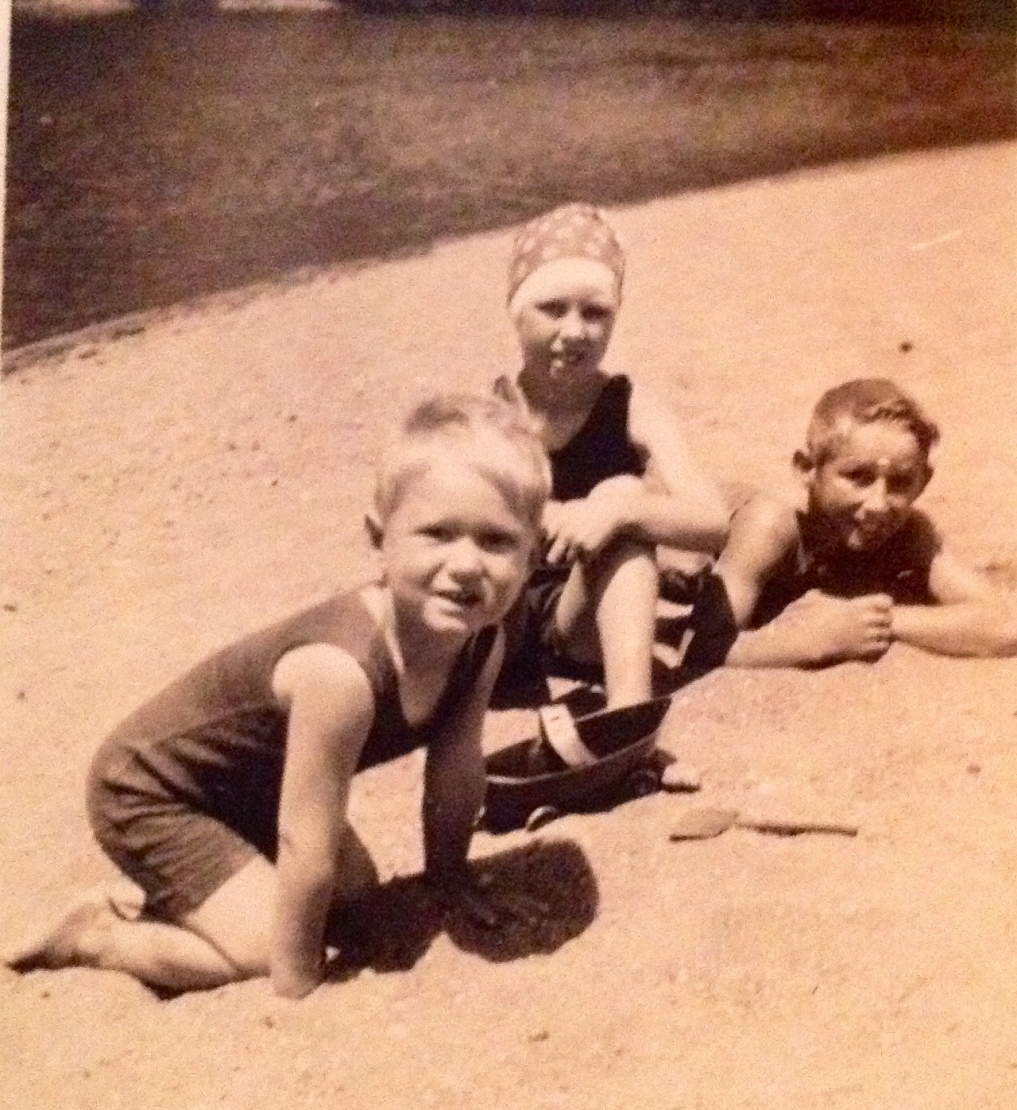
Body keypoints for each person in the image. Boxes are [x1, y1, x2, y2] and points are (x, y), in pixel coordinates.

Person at [4, 392, 550, 998]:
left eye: (496, 541)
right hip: (151, 790)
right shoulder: (341, 675)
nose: (467, 564)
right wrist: (297, 987)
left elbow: (456, 769)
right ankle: (100, 935)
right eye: (438, 533)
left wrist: (449, 878)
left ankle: (194, 896)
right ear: (379, 539)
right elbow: (303, 842)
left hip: (255, 785)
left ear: (532, 556)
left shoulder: (481, 643)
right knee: (274, 946)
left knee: (355, 894)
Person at [493, 202, 729, 709]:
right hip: (498, 621)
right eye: (552, 309)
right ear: (516, 313)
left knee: (622, 495)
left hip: (578, 619)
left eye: (595, 313)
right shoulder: (490, 415)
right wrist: (548, 516)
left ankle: (629, 714)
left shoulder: (630, 406)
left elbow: (713, 523)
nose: (575, 331)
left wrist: (622, 511)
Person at [680, 377, 1017, 672]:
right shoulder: (773, 526)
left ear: (924, 482)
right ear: (806, 469)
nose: (878, 504)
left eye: (901, 482)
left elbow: (1006, 621)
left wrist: (884, 621)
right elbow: (700, 646)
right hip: (691, 539)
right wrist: (810, 641)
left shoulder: (910, 531)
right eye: (858, 477)